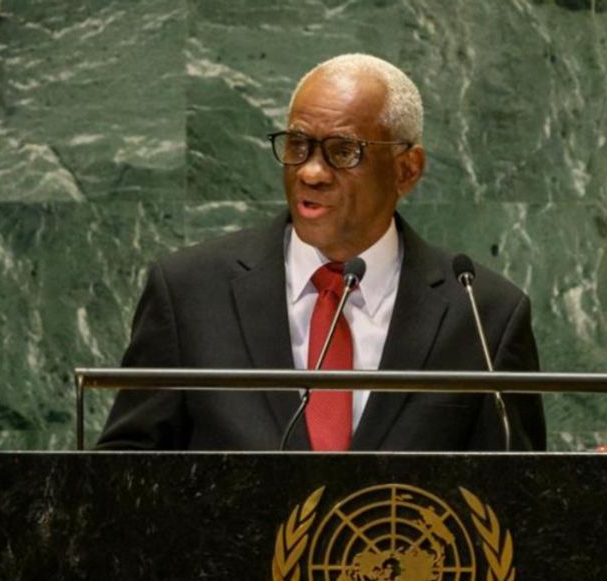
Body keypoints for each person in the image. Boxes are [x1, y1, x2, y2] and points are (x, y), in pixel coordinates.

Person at [98, 53, 546, 451]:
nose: (311, 172)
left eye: (343, 151)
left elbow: (520, 503)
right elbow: (121, 477)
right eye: (298, 145)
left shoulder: (484, 316)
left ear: (407, 170)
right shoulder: (190, 293)